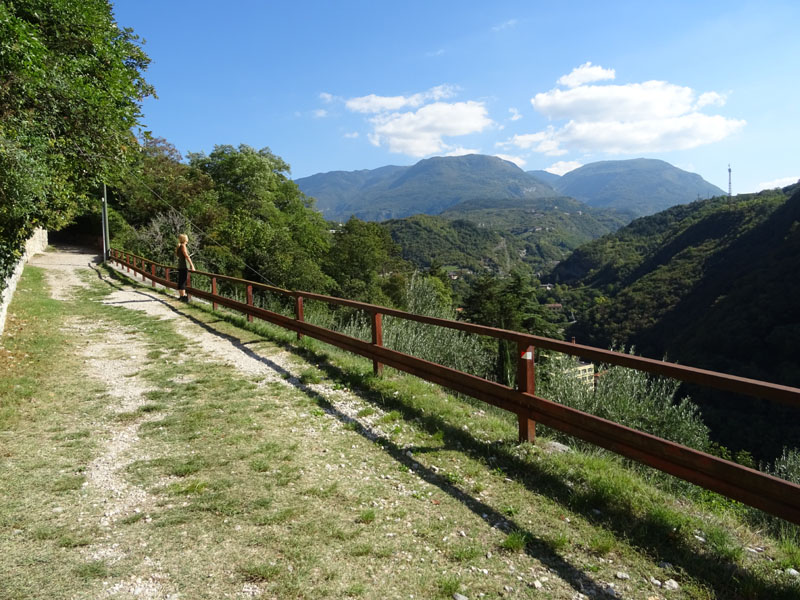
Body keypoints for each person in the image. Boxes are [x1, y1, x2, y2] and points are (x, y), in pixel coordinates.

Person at [175, 233, 195, 302]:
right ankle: (183, 297)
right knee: (183, 281)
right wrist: (192, 265)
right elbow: (186, 256)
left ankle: (181, 296)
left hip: (180, 266)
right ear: (185, 239)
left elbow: (178, 255)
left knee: (181, 281)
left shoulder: (180, 246)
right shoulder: (183, 246)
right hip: (184, 267)